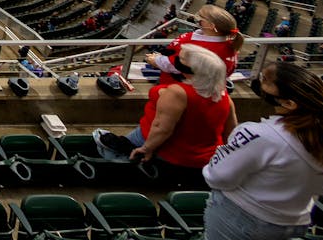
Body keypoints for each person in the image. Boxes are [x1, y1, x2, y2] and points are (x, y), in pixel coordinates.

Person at [203, 61, 323, 240]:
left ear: (289, 103)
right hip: (295, 221)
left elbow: (217, 177)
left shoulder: (258, 135)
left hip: (243, 219)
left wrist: (222, 152)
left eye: (267, 81)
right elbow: (321, 187)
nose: (260, 82)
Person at [93, 44, 235, 186]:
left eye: (182, 59)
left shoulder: (178, 93)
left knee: (100, 139)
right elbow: (231, 132)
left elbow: (162, 128)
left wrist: (147, 149)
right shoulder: (223, 95)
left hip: (173, 153)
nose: (176, 59)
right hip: (206, 158)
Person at [147, 5, 244, 83]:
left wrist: (156, 60)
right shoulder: (228, 43)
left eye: (201, 17)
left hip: (180, 86)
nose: (197, 18)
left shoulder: (205, 47)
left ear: (211, 26)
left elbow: (178, 65)